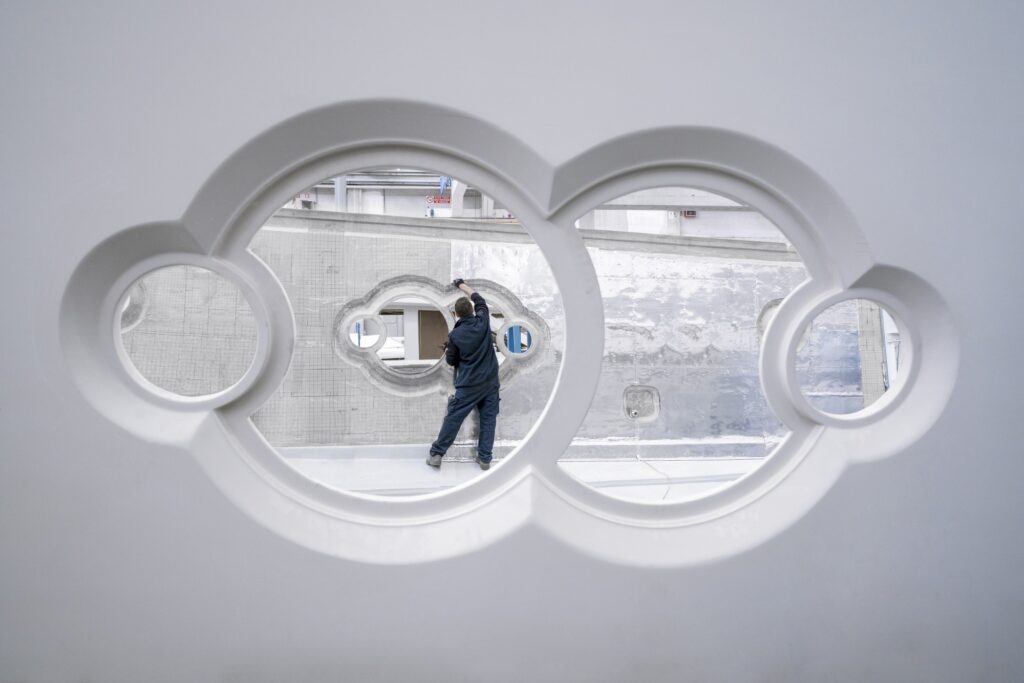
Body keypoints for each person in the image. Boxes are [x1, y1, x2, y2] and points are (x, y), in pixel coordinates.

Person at [427, 278, 500, 471]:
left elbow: (451, 361)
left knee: (453, 418)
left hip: (469, 385)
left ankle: (436, 454)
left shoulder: (455, 336)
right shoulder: (483, 321)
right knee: (488, 419)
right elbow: (478, 298)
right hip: (490, 382)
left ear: (456, 314)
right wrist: (460, 285)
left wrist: (449, 349)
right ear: (472, 310)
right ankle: (485, 459)